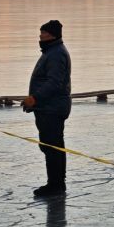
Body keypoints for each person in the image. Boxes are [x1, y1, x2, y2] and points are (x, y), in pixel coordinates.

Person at [21, 20, 72, 199]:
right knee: (50, 146)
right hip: (47, 108)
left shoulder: (56, 54)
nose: (40, 37)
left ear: (51, 35)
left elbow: (54, 83)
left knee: (53, 147)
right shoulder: (52, 51)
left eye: (42, 34)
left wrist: (35, 98)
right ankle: (56, 182)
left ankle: (56, 184)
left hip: (52, 108)